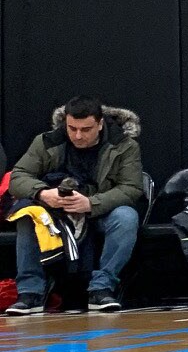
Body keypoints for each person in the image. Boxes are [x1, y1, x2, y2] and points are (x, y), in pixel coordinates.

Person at [5, 97, 145, 315]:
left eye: (86, 129)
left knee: (126, 217)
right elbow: (18, 177)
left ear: (100, 124)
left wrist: (91, 203)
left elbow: (131, 188)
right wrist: (43, 193)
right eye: (72, 128)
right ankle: (30, 293)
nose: (78, 135)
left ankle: (101, 289)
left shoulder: (124, 145)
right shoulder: (47, 141)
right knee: (27, 215)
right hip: (55, 211)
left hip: (99, 209)